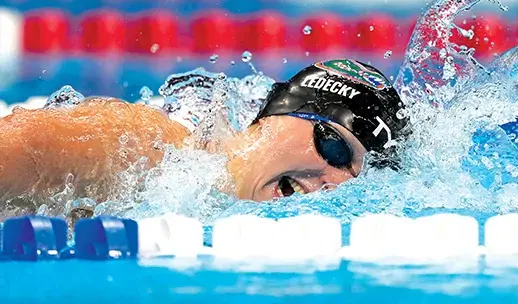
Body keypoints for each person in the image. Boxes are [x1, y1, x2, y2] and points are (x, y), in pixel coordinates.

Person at [0, 59, 409, 208]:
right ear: (275, 116)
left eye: (356, 176)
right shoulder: (150, 148)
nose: (334, 183)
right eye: (336, 149)